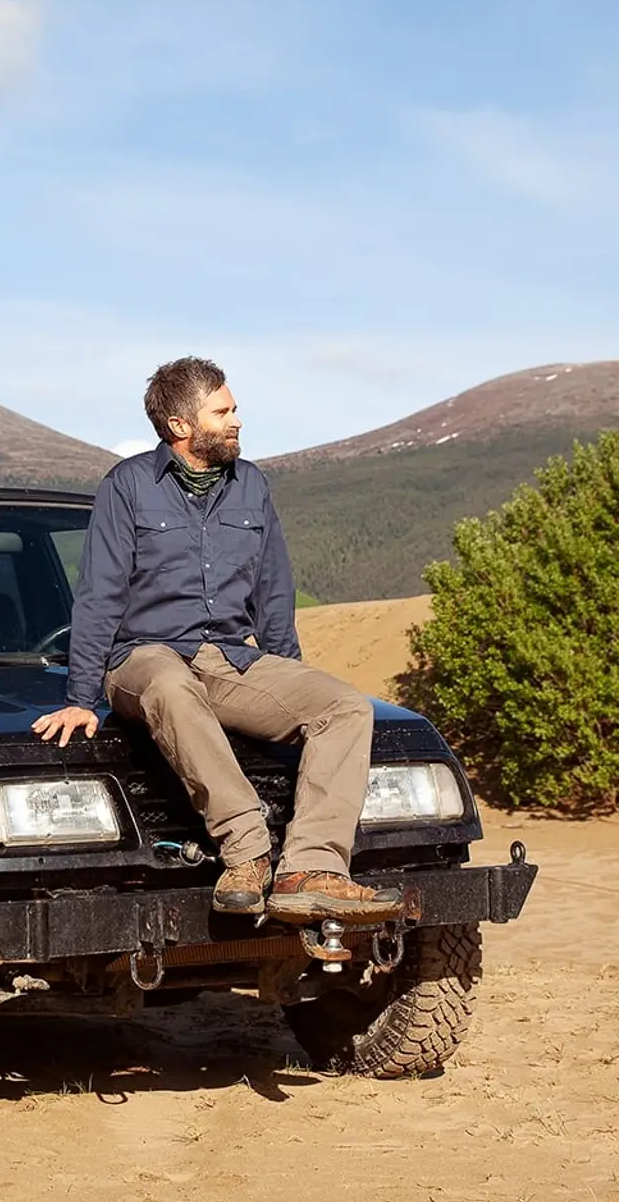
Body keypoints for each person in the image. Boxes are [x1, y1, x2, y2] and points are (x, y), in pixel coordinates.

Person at [34, 358, 402, 923]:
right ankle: (248, 853)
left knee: (346, 706)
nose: (238, 421)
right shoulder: (128, 486)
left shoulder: (251, 484)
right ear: (181, 425)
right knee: (173, 684)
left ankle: (311, 869)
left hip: (228, 656)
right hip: (141, 657)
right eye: (224, 411)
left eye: (234, 409)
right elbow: (100, 595)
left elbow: (274, 591)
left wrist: (288, 681)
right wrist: (81, 698)